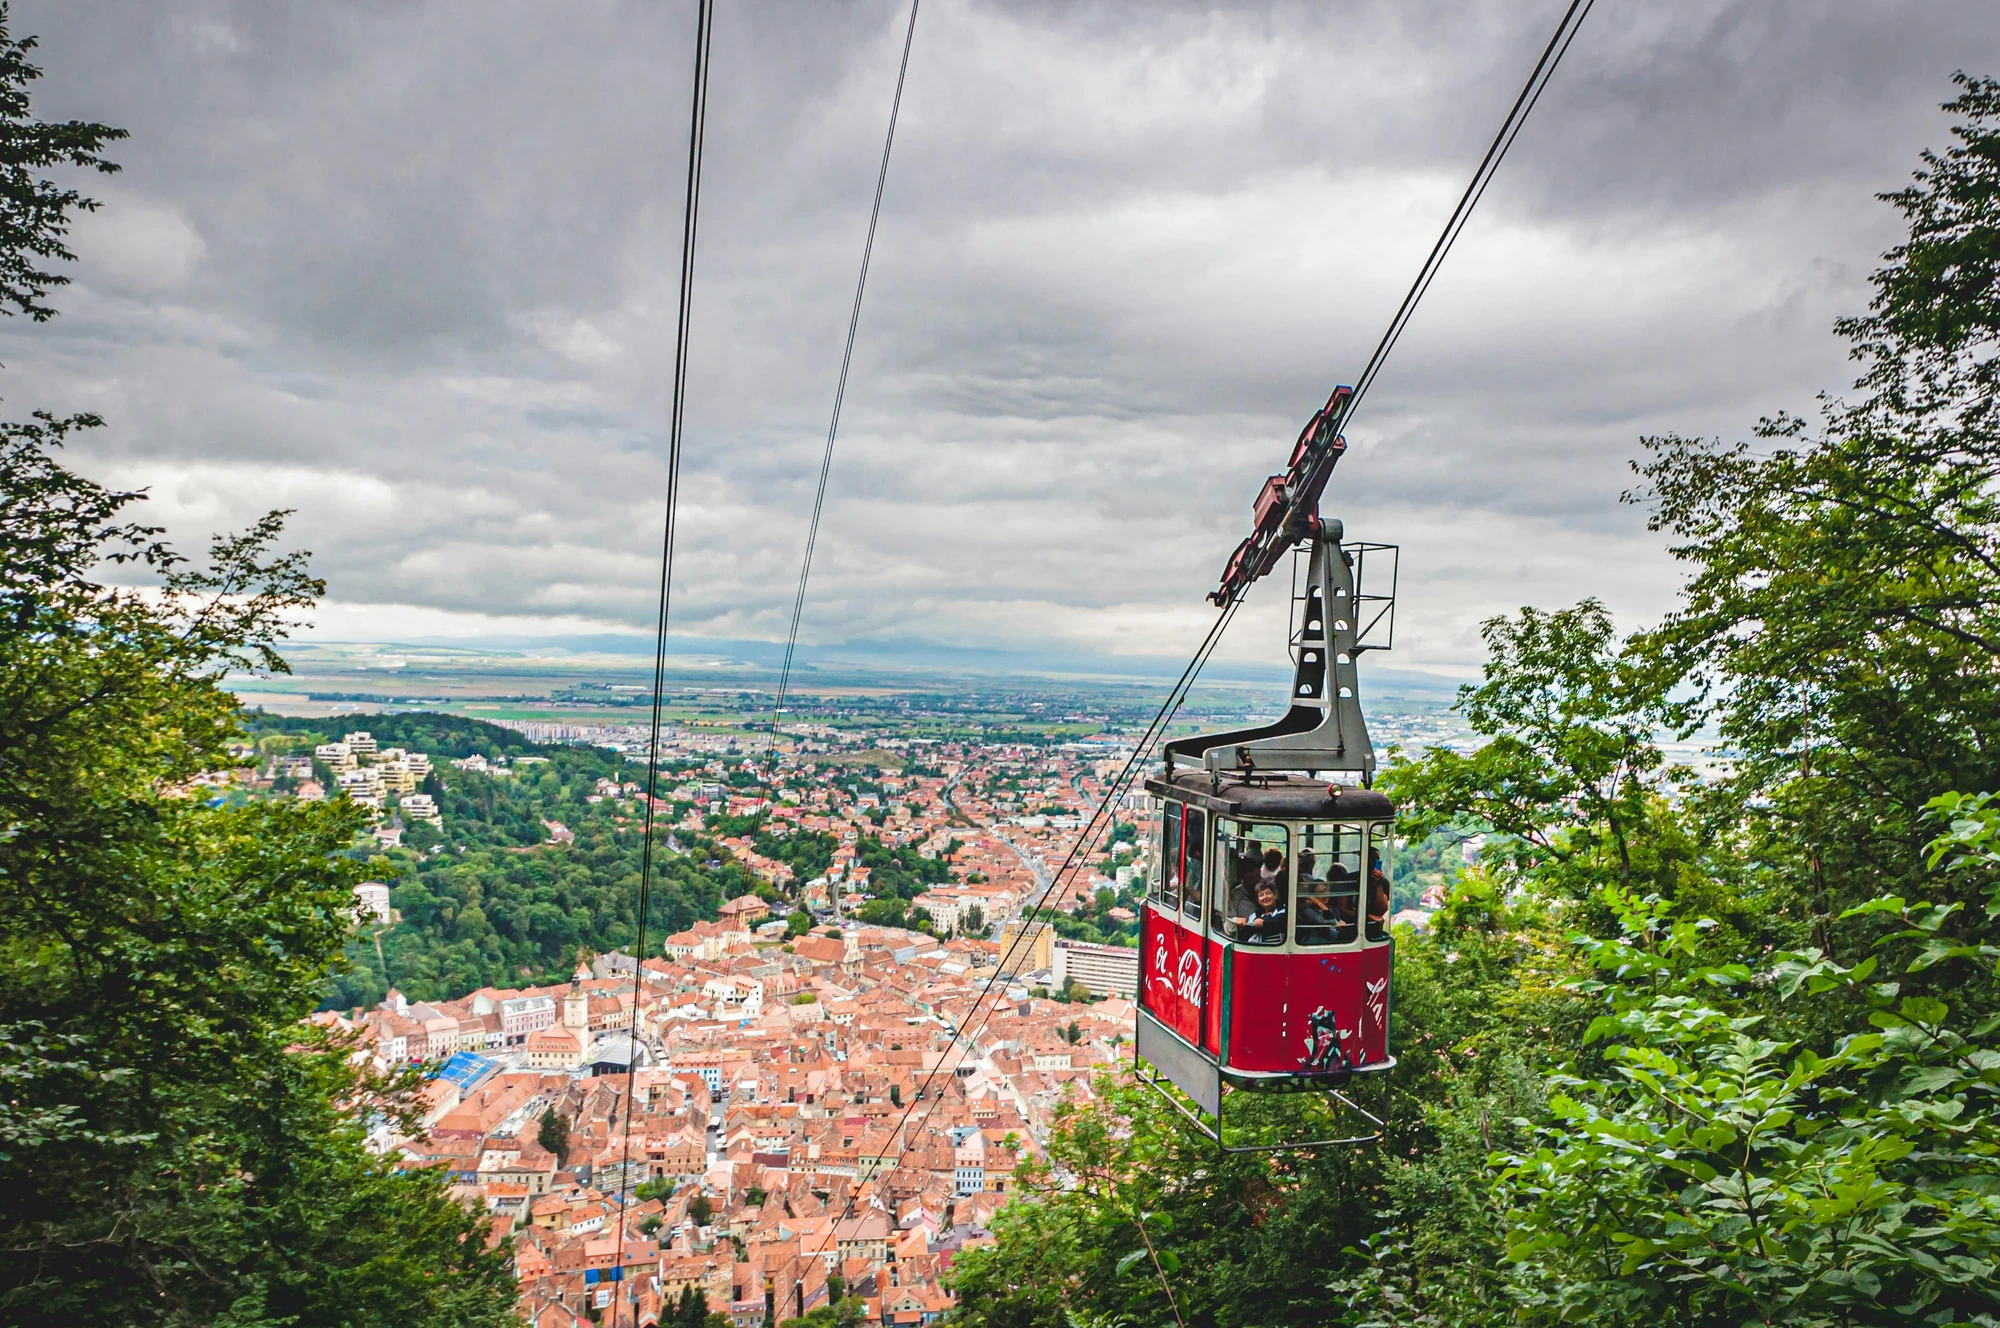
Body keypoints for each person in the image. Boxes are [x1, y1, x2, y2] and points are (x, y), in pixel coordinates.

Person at [1233, 878, 1288, 945]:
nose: (1265, 897)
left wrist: (1263, 922)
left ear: (1275, 895)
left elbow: (1279, 921)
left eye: (1268, 893)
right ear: (1258, 900)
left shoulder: (1284, 909)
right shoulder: (1254, 916)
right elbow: (1245, 935)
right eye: (1261, 895)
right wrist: (1242, 925)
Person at [1364, 848, 1391, 942]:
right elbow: (1343, 908)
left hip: (1373, 931)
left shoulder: (1383, 882)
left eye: (1377, 859)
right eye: (1372, 858)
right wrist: (1369, 916)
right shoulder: (1352, 879)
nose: (1375, 862)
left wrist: (1378, 884)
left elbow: (1382, 909)